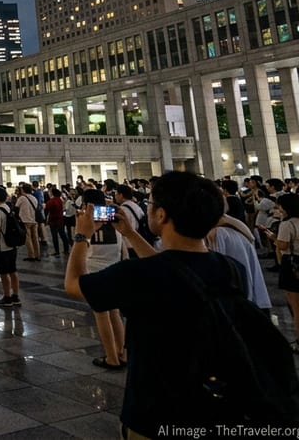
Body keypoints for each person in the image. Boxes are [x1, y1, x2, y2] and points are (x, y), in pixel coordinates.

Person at [65, 171, 293, 436]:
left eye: (150, 204)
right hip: (216, 408)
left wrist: (82, 236)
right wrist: (129, 233)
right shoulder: (230, 268)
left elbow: (73, 284)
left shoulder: (138, 275)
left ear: (161, 215)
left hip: (158, 413)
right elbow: (170, 266)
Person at [78, 189, 126, 370]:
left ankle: (111, 357)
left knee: (101, 315)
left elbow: (81, 244)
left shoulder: (86, 221)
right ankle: (122, 352)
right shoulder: (114, 218)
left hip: (95, 272)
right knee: (115, 313)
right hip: (115, 268)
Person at [269, 193, 299, 349]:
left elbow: (283, 246)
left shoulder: (287, 224)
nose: (278, 208)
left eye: (279, 205)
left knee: (295, 306)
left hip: (292, 264)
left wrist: (273, 238)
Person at [15, 184, 40, 262]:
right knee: (35, 238)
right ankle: (37, 255)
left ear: (23, 190)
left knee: (28, 238)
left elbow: (16, 208)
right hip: (34, 220)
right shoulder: (34, 198)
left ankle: (31, 255)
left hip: (25, 220)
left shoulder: (22, 198)